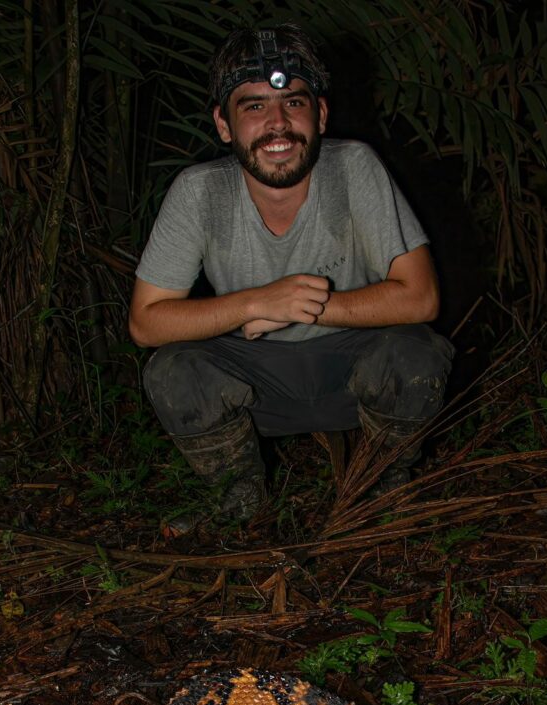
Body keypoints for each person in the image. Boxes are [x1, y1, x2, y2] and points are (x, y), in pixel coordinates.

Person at [130, 24, 455, 530]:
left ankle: (385, 488)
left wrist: (306, 306)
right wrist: (255, 303)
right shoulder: (198, 192)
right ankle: (240, 503)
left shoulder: (354, 169)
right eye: (254, 107)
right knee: (173, 369)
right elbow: (146, 324)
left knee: (415, 351)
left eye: (293, 103)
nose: (277, 125)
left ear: (320, 114)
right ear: (223, 124)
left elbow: (422, 298)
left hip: (352, 369)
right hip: (258, 385)